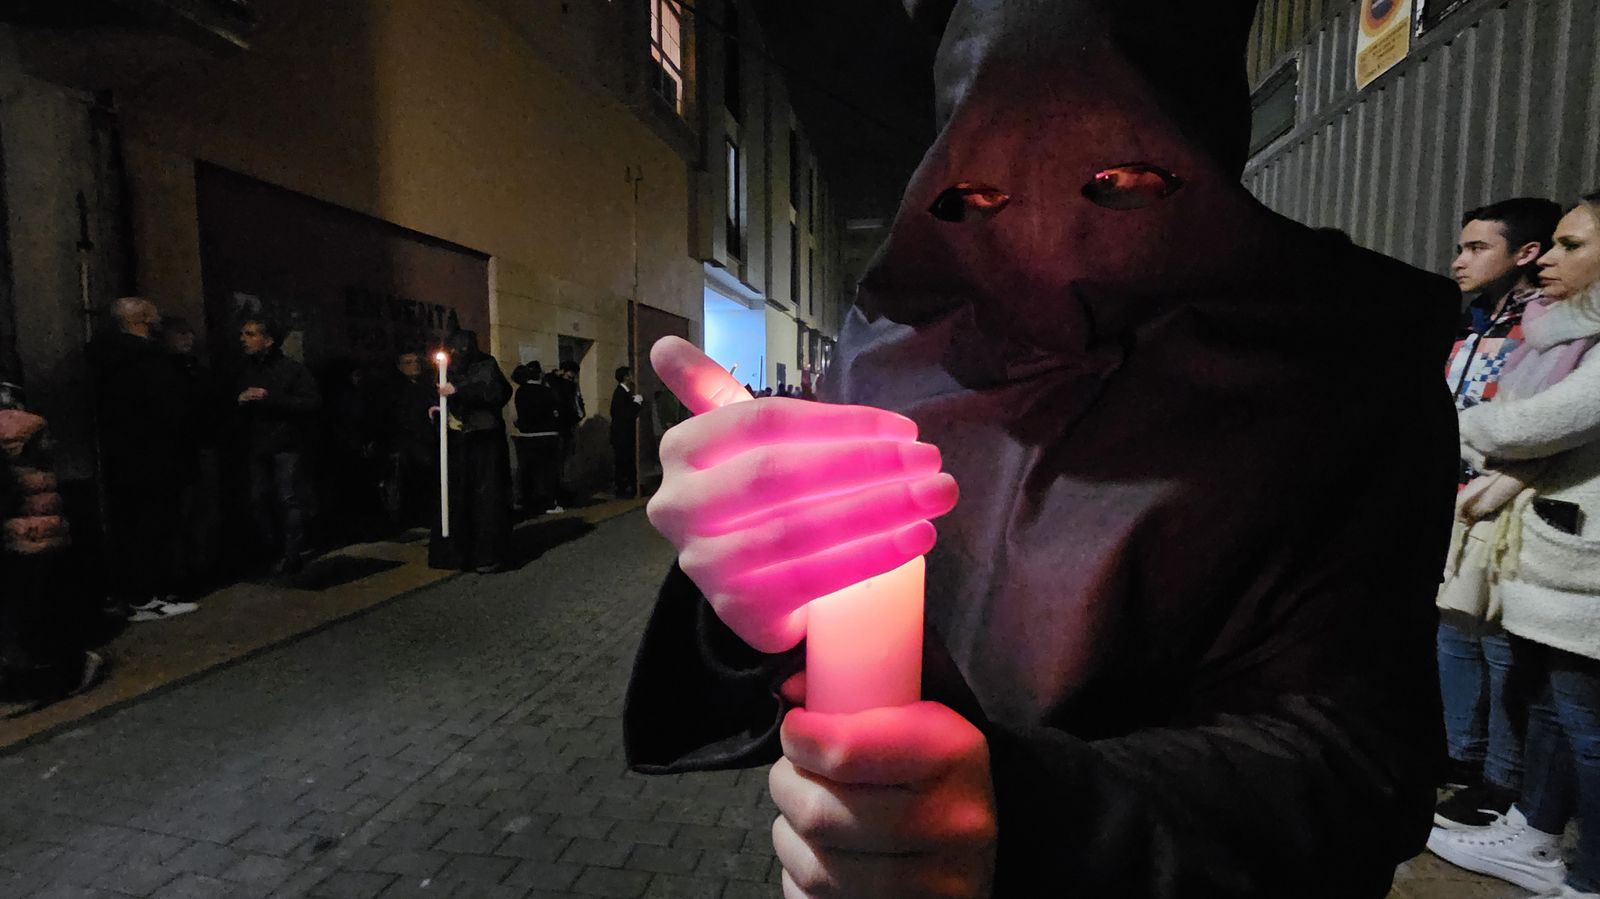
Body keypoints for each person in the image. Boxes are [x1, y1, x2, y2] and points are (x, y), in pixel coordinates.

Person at [622, 1, 1462, 897]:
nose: (1049, 254)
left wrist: (1032, 815)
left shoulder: (1339, 371)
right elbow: (785, 660)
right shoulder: (903, 353)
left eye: (1124, 182)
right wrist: (741, 593)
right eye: (978, 197)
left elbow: (1358, 762)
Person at [1426, 192, 1600, 898]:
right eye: (1553, 243)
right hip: (1548, 555)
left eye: (1573, 245)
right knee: (1555, 707)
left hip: (1579, 567)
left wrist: (1444, 428)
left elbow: (1531, 424)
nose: (1550, 260)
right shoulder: (1552, 330)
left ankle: (1588, 874)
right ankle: (1532, 828)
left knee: (1586, 724)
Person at [1434, 197, 1563, 829]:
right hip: (1454, 495)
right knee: (1456, 630)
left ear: (1526, 253)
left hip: (1507, 500)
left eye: (1476, 248)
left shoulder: (1546, 326)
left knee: (1504, 648)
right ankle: (1462, 755)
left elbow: (1534, 424)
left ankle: (1502, 780)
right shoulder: (1471, 318)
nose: (1459, 261)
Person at [86, 297, 198, 622]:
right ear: (144, 320)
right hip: (155, 456)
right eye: (154, 312)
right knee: (153, 527)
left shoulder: (106, 360)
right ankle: (148, 598)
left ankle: (133, 594)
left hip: (120, 458)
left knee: (130, 528)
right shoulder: (148, 361)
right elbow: (170, 409)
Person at [0, 378, 106, 707]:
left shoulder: (16, 465)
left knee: (32, 618)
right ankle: (59, 673)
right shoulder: (31, 465)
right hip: (37, 541)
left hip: (25, 543)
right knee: (40, 614)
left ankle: (51, 679)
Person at [236, 317, 320, 575]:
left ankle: (292, 553)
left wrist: (271, 399)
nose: (244, 339)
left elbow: (312, 403)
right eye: (243, 334)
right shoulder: (242, 368)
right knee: (259, 499)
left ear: (268, 340)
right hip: (256, 443)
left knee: (287, 498)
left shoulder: (291, 369)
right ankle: (270, 551)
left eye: (250, 334)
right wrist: (239, 399)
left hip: (285, 444)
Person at [436, 330, 512, 573]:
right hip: (457, 442)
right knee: (457, 496)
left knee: (485, 499)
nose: (458, 354)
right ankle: (456, 553)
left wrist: (459, 391)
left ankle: (485, 554)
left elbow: (495, 392)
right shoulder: (449, 367)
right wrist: (437, 406)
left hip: (483, 442)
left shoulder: (486, 365)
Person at [163, 316, 222, 595]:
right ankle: (180, 572)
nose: (188, 339)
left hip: (203, 445)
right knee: (181, 513)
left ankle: (203, 566)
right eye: (180, 334)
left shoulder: (196, 370)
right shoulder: (164, 372)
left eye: (189, 334)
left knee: (204, 509)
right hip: (178, 450)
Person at [383, 350, 440, 530]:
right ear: (400, 367)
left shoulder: (425, 386)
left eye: (416, 361)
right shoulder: (396, 390)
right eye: (408, 362)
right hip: (409, 443)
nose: (414, 365)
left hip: (426, 441)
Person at [511, 362, 564, 516]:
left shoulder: (521, 392)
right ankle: (549, 502)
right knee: (548, 471)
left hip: (527, 435)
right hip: (547, 435)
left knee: (528, 470)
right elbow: (556, 410)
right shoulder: (547, 392)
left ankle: (527, 501)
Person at [547, 359, 584, 506]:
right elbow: (572, 407)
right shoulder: (564, 386)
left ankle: (560, 492)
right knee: (561, 464)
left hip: (562, 428)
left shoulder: (555, 382)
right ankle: (559, 493)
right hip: (563, 428)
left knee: (561, 463)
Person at [610, 366, 643, 498]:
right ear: (626, 377)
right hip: (622, 435)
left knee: (626, 461)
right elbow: (623, 414)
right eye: (630, 375)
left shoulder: (625, 393)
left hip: (625, 435)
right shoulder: (620, 393)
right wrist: (636, 404)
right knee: (623, 462)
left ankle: (628, 486)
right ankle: (623, 489)